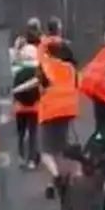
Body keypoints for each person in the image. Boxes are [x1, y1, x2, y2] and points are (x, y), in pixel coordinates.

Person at [36, 41, 80, 199]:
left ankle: (56, 176)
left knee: (45, 151)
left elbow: (38, 84)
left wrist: (16, 90)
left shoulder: (47, 65)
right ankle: (59, 181)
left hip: (50, 110)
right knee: (61, 148)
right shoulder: (71, 68)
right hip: (68, 109)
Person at [12, 44, 42, 172]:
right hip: (35, 107)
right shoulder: (39, 70)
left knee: (20, 133)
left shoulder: (16, 70)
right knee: (33, 133)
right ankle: (32, 159)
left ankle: (19, 157)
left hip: (19, 107)